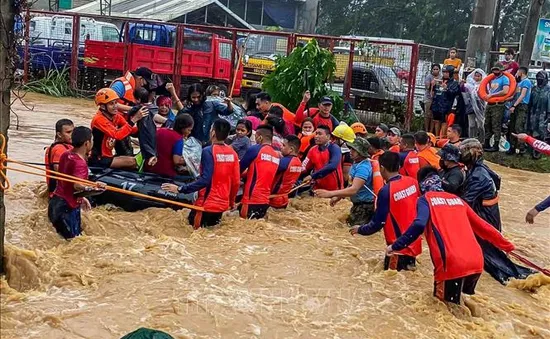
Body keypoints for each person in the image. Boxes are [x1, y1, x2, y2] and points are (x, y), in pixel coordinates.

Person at [387, 167, 515, 307]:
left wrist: (396, 245)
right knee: (458, 309)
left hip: (451, 263)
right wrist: (508, 246)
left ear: (422, 185)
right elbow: (484, 227)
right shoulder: (458, 200)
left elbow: (418, 225)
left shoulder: (425, 200)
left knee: (443, 310)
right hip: (476, 262)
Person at [459, 138, 532, 283]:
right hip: (488, 213)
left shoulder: (478, 175)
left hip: (485, 216)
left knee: (490, 256)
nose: (461, 154)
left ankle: (519, 278)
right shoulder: (479, 169)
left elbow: (463, 201)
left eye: (463, 152)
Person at [349, 152, 421, 271]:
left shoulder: (386, 191)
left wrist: (360, 229)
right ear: (399, 166)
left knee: (392, 283)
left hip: (397, 247)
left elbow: (378, 223)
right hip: (413, 242)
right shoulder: (412, 182)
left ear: (382, 168)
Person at [161, 120, 240, 229]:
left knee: (190, 233)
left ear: (213, 133)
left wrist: (180, 189)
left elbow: (205, 180)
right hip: (222, 206)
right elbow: (236, 181)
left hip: (205, 205)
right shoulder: (233, 154)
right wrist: (231, 202)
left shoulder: (208, 151)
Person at [48, 126, 105, 239]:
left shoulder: (66, 154)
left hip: (55, 202)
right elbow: (77, 185)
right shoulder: (80, 163)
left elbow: (66, 181)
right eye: (92, 140)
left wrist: (82, 197)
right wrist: (94, 188)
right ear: (87, 143)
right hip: (67, 208)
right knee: (74, 242)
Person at [315, 137, 378, 226]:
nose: (350, 151)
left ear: (361, 152)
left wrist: (330, 193)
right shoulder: (357, 163)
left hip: (365, 207)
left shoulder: (363, 168)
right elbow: (351, 184)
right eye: (351, 148)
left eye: (354, 150)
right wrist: (338, 197)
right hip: (359, 205)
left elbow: (354, 189)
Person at [90, 88, 148, 169]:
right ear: (103, 106)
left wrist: (146, 130)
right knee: (133, 161)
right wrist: (135, 119)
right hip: (100, 158)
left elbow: (131, 130)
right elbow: (117, 135)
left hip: (108, 155)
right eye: (111, 104)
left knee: (136, 158)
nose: (115, 106)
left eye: (116, 103)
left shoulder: (116, 116)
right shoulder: (99, 120)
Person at [239, 125, 281, 219]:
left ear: (260, 137)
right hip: (265, 200)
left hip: (251, 199)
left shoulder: (255, 149)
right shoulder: (276, 156)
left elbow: (238, 169)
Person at [145, 113, 193, 178]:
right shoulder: (178, 139)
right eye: (189, 130)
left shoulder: (160, 130)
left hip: (150, 167)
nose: (189, 133)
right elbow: (177, 161)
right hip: (165, 172)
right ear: (183, 128)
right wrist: (191, 159)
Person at [302, 125, 344, 191]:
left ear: (328, 136)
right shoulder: (312, 150)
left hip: (335, 191)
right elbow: (304, 167)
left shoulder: (334, 148)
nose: (316, 136)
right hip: (318, 190)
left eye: (320, 134)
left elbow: (332, 166)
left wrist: (312, 176)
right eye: (316, 134)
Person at [483, 63, 510, 152]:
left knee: (496, 124)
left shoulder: (505, 79)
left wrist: (492, 95)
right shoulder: (493, 79)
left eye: (497, 70)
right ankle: (486, 142)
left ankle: (496, 144)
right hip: (490, 104)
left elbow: (505, 91)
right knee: (487, 123)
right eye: (494, 70)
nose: (495, 72)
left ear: (501, 70)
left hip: (498, 105)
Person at [270, 135, 303, 209]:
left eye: (284, 145)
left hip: (273, 199)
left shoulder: (284, 162)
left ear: (291, 149)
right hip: (284, 198)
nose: (281, 147)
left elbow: (266, 171)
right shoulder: (299, 162)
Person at [507, 67, 532, 155]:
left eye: (517, 71)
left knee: (519, 126)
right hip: (515, 105)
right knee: (512, 126)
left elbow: (522, 95)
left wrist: (514, 105)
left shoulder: (526, 82)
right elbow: (515, 95)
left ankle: (522, 147)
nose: (516, 73)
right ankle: (512, 146)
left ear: (521, 72)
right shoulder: (518, 83)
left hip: (521, 105)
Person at [45, 119, 74, 196]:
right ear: (59, 134)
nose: (72, 135)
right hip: (59, 194)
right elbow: (60, 173)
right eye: (68, 132)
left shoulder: (65, 146)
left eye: (73, 132)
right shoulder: (59, 149)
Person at [526, 71, 550, 160]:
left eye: (541, 78)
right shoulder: (534, 89)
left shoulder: (548, 90)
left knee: (541, 131)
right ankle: (530, 149)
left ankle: (539, 150)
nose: (539, 80)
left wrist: (548, 115)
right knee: (532, 129)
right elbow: (530, 102)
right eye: (538, 78)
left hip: (543, 114)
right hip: (533, 113)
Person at [431, 65, 460, 137]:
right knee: (436, 121)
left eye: (446, 72)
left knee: (444, 122)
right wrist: (433, 85)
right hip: (436, 104)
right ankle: (436, 136)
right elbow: (433, 92)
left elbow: (455, 93)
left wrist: (446, 88)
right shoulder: (439, 80)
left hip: (446, 105)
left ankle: (442, 137)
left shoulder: (454, 83)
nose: (445, 74)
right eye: (444, 72)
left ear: (450, 73)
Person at [462, 68, 486, 142]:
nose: (477, 78)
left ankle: (482, 140)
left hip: (480, 107)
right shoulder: (469, 85)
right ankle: (471, 139)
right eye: (476, 76)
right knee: (471, 124)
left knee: (480, 125)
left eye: (479, 76)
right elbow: (464, 92)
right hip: (471, 106)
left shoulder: (484, 85)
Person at [424, 64, 442, 133]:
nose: (435, 71)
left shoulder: (441, 77)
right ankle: (426, 130)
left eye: (437, 69)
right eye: (434, 69)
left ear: (439, 70)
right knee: (427, 114)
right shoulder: (429, 76)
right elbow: (427, 87)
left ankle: (431, 131)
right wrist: (432, 84)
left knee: (433, 116)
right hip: (429, 98)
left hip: (437, 99)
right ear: (432, 70)